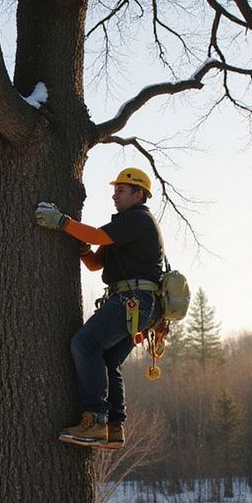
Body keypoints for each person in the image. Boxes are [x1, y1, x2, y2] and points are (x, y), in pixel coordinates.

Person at [35, 167, 165, 449]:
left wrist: (62, 222)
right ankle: (114, 427)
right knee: (108, 360)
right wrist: (81, 249)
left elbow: (95, 235)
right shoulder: (123, 226)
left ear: (138, 194)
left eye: (120, 190)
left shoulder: (139, 220)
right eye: (114, 190)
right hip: (139, 304)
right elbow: (96, 262)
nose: (114, 195)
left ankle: (94, 421)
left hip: (134, 301)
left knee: (85, 343)